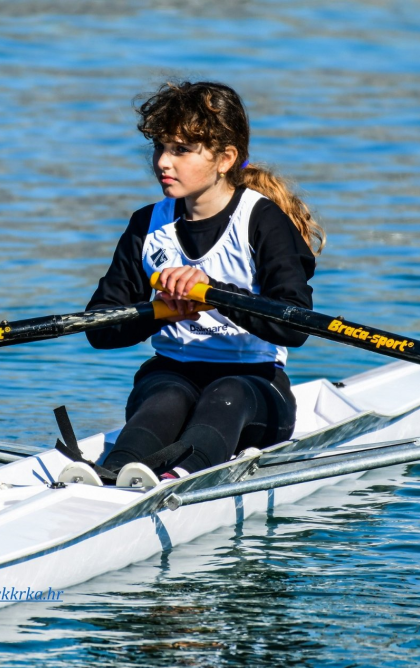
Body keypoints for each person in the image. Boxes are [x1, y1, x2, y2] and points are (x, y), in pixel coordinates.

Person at [60, 81, 325, 488]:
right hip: (172, 374)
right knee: (163, 394)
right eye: (160, 148)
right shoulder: (147, 223)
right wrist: (159, 310)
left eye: (181, 150)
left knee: (227, 392)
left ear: (225, 158)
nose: (164, 162)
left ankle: (182, 477)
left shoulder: (263, 220)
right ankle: (111, 473)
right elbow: (101, 328)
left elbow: (295, 324)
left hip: (256, 388)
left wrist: (214, 293)